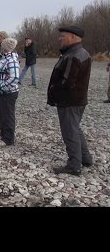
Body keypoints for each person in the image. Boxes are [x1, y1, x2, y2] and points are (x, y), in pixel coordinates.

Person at [47, 26, 93, 176]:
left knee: (70, 132)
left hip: (70, 101)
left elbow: (67, 82)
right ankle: (85, 158)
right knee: (75, 128)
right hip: (78, 100)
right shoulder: (81, 53)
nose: (60, 39)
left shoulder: (73, 55)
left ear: (73, 37)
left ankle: (74, 165)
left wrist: (54, 90)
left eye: (63, 36)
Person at [0, 38, 20, 146]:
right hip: (2, 93)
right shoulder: (4, 58)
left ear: (5, 47)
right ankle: (4, 136)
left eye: (2, 45)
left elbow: (14, 78)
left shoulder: (11, 60)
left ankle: (8, 139)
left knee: (7, 115)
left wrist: (1, 87)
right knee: (1, 114)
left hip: (8, 93)